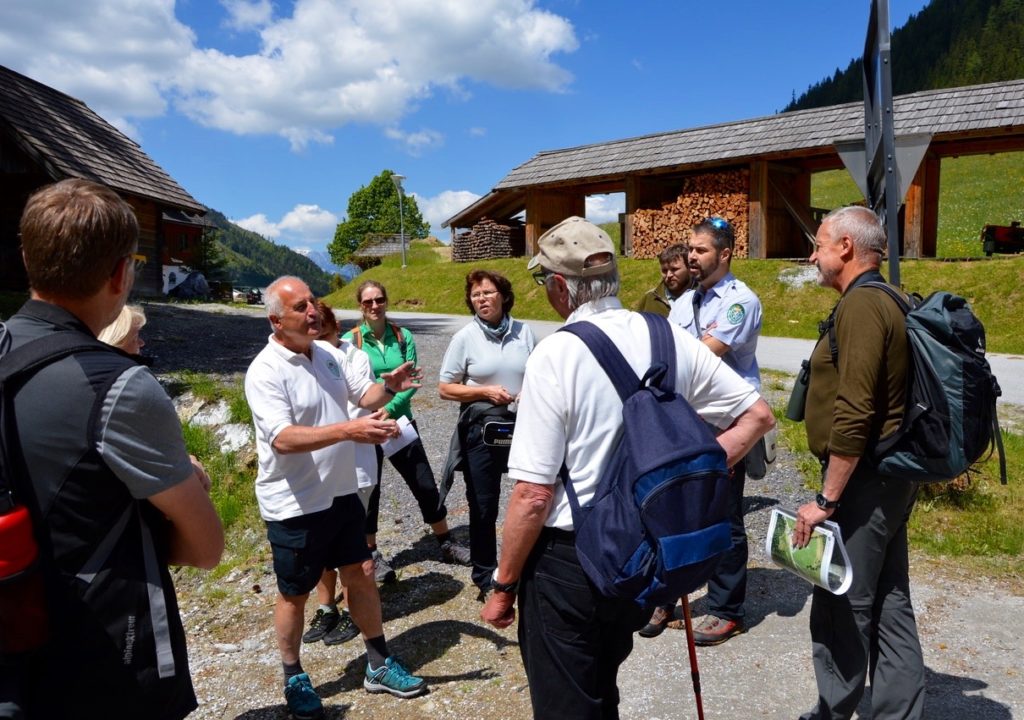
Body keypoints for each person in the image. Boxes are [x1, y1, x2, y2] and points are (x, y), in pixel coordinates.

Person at [479, 216, 774, 719]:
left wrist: (504, 585)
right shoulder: (668, 334)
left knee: (569, 702)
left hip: (570, 559)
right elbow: (758, 414)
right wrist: (699, 473)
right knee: (603, 686)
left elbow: (532, 495)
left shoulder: (555, 355)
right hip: (641, 549)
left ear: (557, 286)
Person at [0, 179, 224, 719]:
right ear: (123, 274)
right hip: (106, 664)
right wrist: (189, 480)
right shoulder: (117, 385)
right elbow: (206, 549)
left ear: (27, 257)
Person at [245, 276, 428, 718]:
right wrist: (350, 430)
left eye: (313, 302)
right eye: (300, 307)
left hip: (342, 491)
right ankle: (294, 676)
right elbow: (283, 439)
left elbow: (363, 396)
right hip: (294, 502)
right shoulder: (265, 370)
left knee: (361, 572)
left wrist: (391, 384)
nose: (313, 312)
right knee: (295, 593)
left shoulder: (327, 354)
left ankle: (379, 663)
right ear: (275, 320)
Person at [793, 206, 925, 720]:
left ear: (846, 247)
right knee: (890, 602)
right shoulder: (886, 296)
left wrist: (827, 499)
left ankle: (834, 709)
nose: (813, 255)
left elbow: (855, 410)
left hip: (865, 481)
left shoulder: (864, 306)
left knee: (843, 602)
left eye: (820, 244)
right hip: (889, 476)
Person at [642, 216, 764, 643]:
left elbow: (700, 357)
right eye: (690, 249)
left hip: (724, 424)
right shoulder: (685, 300)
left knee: (722, 514)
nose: (692, 256)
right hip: (684, 421)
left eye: (701, 250)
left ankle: (727, 609)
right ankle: (668, 594)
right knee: (673, 509)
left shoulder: (739, 301)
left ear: (724, 253)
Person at [342, 280, 471, 585]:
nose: (374, 306)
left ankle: (446, 543)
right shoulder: (350, 341)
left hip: (399, 424)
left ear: (386, 301)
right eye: (368, 302)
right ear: (360, 306)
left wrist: (389, 410)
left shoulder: (403, 337)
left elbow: (410, 381)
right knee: (371, 491)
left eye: (379, 299)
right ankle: (371, 553)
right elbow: (349, 387)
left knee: (424, 483)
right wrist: (375, 415)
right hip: (368, 426)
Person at [438, 270, 536, 595]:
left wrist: (529, 393)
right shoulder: (464, 337)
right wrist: (485, 392)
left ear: (503, 296)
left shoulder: (525, 332)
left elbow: (537, 373)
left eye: (488, 292)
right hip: (481, 432)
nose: (481, 299)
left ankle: (526, 566)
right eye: (476, 294)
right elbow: (445, 388)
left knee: (532, 497)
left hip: (523, 426)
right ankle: (484, 575)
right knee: (483, 504)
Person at [298, 301, 376, 647]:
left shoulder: (350, 357)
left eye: (320, 326)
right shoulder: (300, 359)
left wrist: (390, 388)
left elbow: (365, 399)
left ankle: (355, 616)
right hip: (318, 468)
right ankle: (327, 607)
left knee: (353, 549)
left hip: (355, 465)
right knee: (321, 544)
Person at [634, 242, 692, 316]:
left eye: (674, 269)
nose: (669, 275)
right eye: (664, 270)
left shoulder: (704, 298)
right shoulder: (649, 300)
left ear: (689, 268)